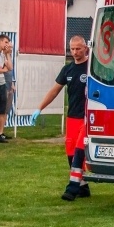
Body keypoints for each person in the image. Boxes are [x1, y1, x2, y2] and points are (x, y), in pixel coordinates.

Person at [31, 36, 91, 198]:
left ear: (86, 48)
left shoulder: (91, 68)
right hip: (72, 116)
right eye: (72, 49)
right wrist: (39, 108)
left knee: (80, 151)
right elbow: (54, 90)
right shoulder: (68, 70)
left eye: (78, 48)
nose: (75, 52)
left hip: (87, 117)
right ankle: (83, 187)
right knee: (70, 153)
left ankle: (72, 188)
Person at [0, 40, 15, 140]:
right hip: (3, 86)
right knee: (1, 111)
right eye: (9, 48)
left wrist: (12, 84)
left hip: (9, 85)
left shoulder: (9, 57)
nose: (10, 50)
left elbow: (10, 72)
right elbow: (7, 68)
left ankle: (2, 131)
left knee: (6, 111)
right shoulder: (1, 57)